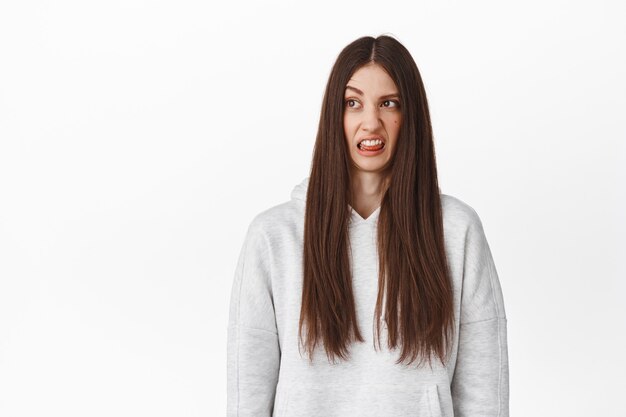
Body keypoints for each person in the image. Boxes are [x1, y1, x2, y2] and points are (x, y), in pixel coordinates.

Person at [227, 34, 509, 417]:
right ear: (334, 115)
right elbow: (248, 395)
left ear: (409, 116)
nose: (370, 122)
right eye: (353, 103)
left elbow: (483, 395)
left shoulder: (456, 232)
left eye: (388, 103)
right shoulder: (273, 237)